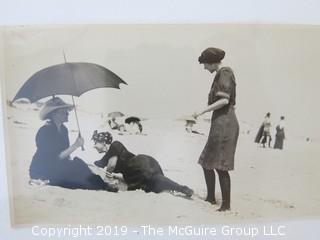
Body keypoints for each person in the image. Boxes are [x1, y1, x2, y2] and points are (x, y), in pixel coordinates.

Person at [29, 97, 118, 192]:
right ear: (54, 114)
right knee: (76, 180)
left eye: (67, 111)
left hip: (57, 165)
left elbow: (65, 154)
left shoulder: (64, 129)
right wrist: (76, 145)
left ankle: (102, 185)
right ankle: (102, 186)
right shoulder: (44, 131)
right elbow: (54, 157)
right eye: (64, 111)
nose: (68, 113)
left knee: (79, 164)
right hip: (43, 170)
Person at [193, 47, 239, 211]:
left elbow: (224, 101)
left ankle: (225, 205)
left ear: (212, 62)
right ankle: (211, 198)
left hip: (225, 124)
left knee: (220, 165)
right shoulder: (221, 74)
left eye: (205, 64)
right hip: (220, 122)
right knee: (207, 161)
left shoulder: (225, 72)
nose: (205, 68)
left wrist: (202, 111)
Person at [92, 130, 194, 197]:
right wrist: (115, 176)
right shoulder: (113, 151)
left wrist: (107, 176)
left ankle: (181, 188)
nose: (94, 146)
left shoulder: (115, 145)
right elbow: (120, 169)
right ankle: (182, 188)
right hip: (142, 164)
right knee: (156, 179)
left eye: (96, 143)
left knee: (153, 180)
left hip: (137, 166)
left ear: (104, 143)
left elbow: (111, 164)